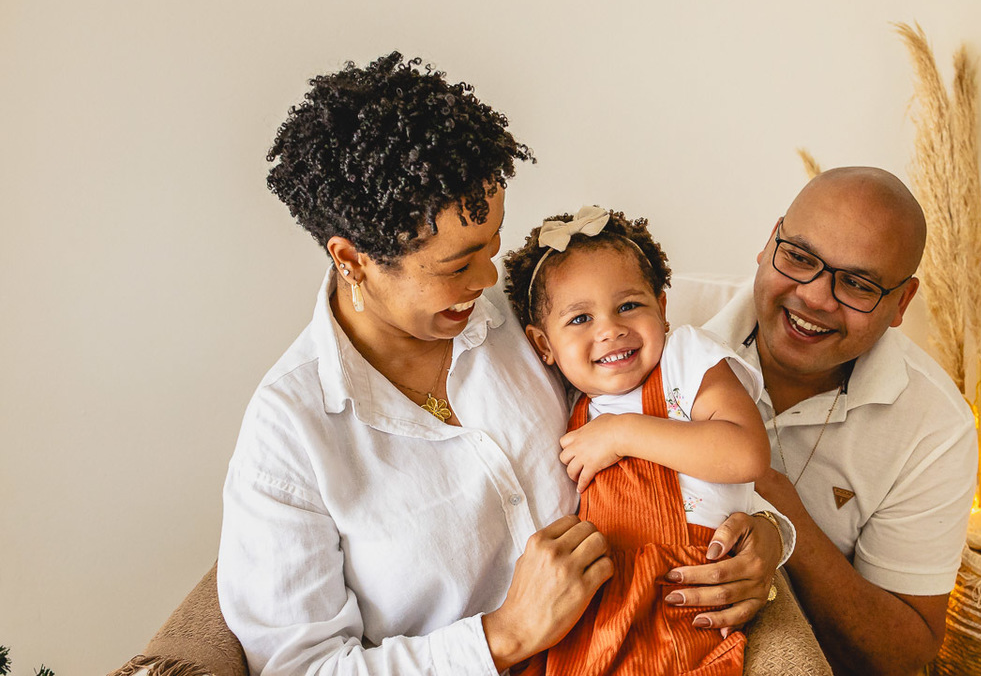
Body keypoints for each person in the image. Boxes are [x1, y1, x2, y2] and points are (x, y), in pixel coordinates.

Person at [216, 53, 785, 676]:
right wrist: (502, 637)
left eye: (492, 244)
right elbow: (301, 668)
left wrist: (762, 536)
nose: (488, 279)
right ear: (352, 259)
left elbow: (672, 423)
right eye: (457, 265)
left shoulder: (539, 325)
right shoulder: (289, 436)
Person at [688, 167, 977, 676]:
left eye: (859, 285)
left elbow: (905, 652)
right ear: (768, 241)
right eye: (799, 257)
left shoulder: (937, 426)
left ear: (901, 304)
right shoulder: (659, 318)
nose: (815, 297)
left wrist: (775, 505)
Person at [502, 207, 771, 675]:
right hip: (595, 604)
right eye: (580, 318)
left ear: (662, 309)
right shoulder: (570, 405)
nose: (609, 329)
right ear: (543, 346)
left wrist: (622, 433)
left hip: (680, 594)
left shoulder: (687, 359)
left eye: (629, 306)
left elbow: (746, 454)